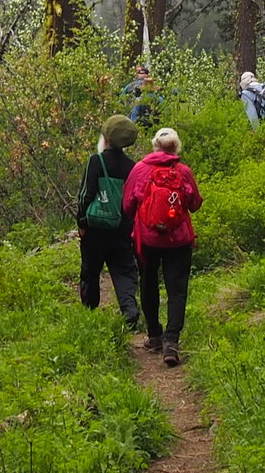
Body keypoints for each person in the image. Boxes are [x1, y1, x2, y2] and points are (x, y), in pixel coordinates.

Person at [122, 126, 203, 365]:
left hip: (146, 240)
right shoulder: (183, 171)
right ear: (176, 148)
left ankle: (155, 335)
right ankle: (171, 342)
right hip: (178, 241)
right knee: (177, 289)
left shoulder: (139, 169)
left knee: (148, 284)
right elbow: (195, 203)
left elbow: (127, 206)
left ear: (154, 146)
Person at [74, 115, 144, 336]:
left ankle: (89, 312)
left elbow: (86, 195)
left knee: (90, 270)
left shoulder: (97, 161)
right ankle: (129, 310)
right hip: (121, 229)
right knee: (124, 271)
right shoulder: (132, 166)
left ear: (106, 138)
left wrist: (82, 223)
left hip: (95, 228)